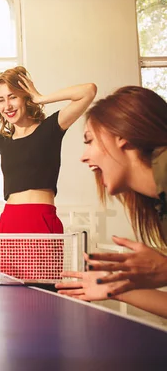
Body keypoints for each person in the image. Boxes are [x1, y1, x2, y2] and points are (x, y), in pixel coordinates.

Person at [0, 66, 97, 281]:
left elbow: (88, 91)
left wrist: (42, 97)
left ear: (25, 98)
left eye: (12, 97)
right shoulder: (2, 139)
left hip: (41, 219)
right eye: (1, 99)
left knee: (44, 290)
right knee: (12, 292)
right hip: (10, 221)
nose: (7, 105)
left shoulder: (51, 128)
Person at [56, 86, 167, 318]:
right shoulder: (160, 206)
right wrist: (113, 288)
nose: (84, 156)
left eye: (90, 140)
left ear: (122, 136)